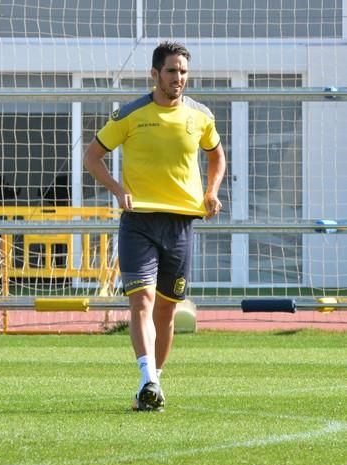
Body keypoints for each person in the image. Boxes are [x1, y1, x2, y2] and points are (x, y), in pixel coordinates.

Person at [83, 41, 226, 411]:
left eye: (183, 72)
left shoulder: (201, 116)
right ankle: (147, 377)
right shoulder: (131, 114)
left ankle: (153, 384)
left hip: (181, 225)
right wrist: (117, 189)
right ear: (154, 74)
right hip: (139, 224)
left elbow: (217, 156)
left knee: (166, 310)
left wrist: (211, 192)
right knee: (142, 302)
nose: (178, 78)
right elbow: (92, 156)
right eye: (171, 71)